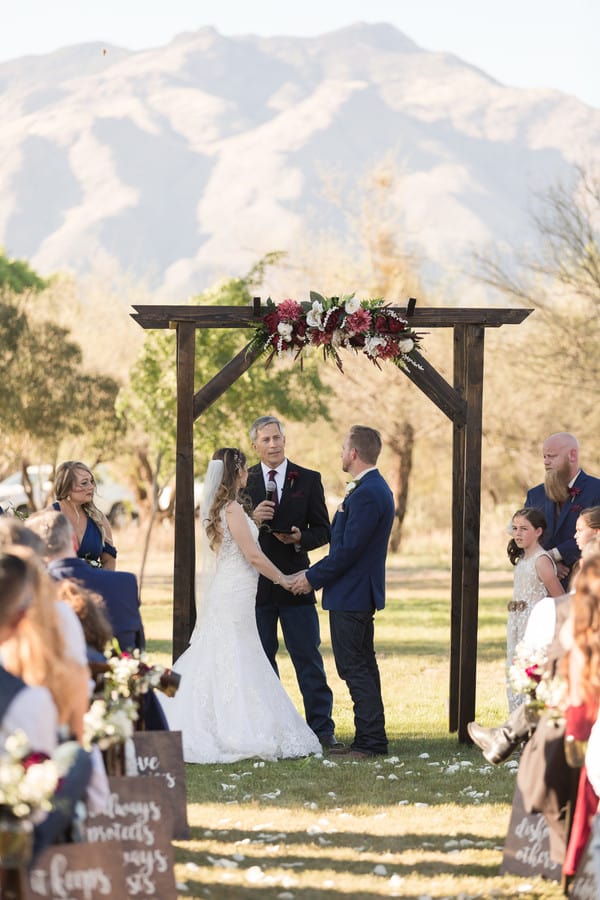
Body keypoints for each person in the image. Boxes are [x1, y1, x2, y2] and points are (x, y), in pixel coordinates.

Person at [158, 447, 321, 763]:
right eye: (245, 469)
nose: (248, 473)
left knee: (226, 652)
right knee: (231, 653)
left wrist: (254, 523)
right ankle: (225, 727)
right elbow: (254, 556)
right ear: (237, 472)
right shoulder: (232, 509)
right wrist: (284, 579)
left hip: (235, 591)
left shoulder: (226, 508)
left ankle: (203, 715)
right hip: (233, 593)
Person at [291, 425, 395, 759]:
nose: (340, 453)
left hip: (353, 594)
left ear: (354, 453)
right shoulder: (370, 488)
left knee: (355, 667)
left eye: (343, 448)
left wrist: (312, 577)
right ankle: (371, 736)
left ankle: (370, 742)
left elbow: (349, 551)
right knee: (361, 666)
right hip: (354, 593)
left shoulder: (368, 493)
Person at [468, 512, 600, 765]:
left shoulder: (564, 564)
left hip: (568, 636)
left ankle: (512, 738)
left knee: (548, 684)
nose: (574, 536)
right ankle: (511, 737)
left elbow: (564, 600)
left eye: (580, 530)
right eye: (515, 528)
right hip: (533, 625)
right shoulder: (541, 561)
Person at [246, 415, 338, 749]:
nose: (273, 445)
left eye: (277, 438)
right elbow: (230, 533)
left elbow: (324, 530)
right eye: (266, 440)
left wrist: (301, 538)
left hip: (297, 582)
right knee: (261, 660)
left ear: (285, 440)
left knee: (308, 658)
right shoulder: (244, 481)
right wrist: (251, 518)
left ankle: (322, 730)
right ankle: (271, 730)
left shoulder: (309, 479)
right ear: (255, 446)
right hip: (255, 587)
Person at [26, 509, 144, 652]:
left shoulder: (30, 591)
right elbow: (138, 648)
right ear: (74, 542)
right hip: (117, 665)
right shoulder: (125, 583)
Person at [506, 507, 564, 712]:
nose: (518, 534)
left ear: (538, 531)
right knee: (515, 672)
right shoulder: (523, 559)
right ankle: (515, 720)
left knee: (530, 673)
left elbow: (560, 598)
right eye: (515, 528)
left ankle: (530, 722)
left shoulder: (541, 561)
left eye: (524, 529)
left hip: (533, 625)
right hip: (517, 622)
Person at [525, 433, 600, 588]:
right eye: (544, 456)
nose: (546, 462)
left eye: (552, 456)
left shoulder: (597, 490)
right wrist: (548, 565)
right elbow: (525, 536)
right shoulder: (535, 495)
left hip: (586, 584)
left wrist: (554, 555)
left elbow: (596, 535)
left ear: (572, 455)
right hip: (540, 588)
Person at [52, 460, 117, 569]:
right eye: (84, 483)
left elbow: (109, 560)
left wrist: (103, 579)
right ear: (66, 487)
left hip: (94, 579)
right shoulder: (49, 517)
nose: (91, 487)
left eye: (91, 482)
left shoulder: (98, 519)